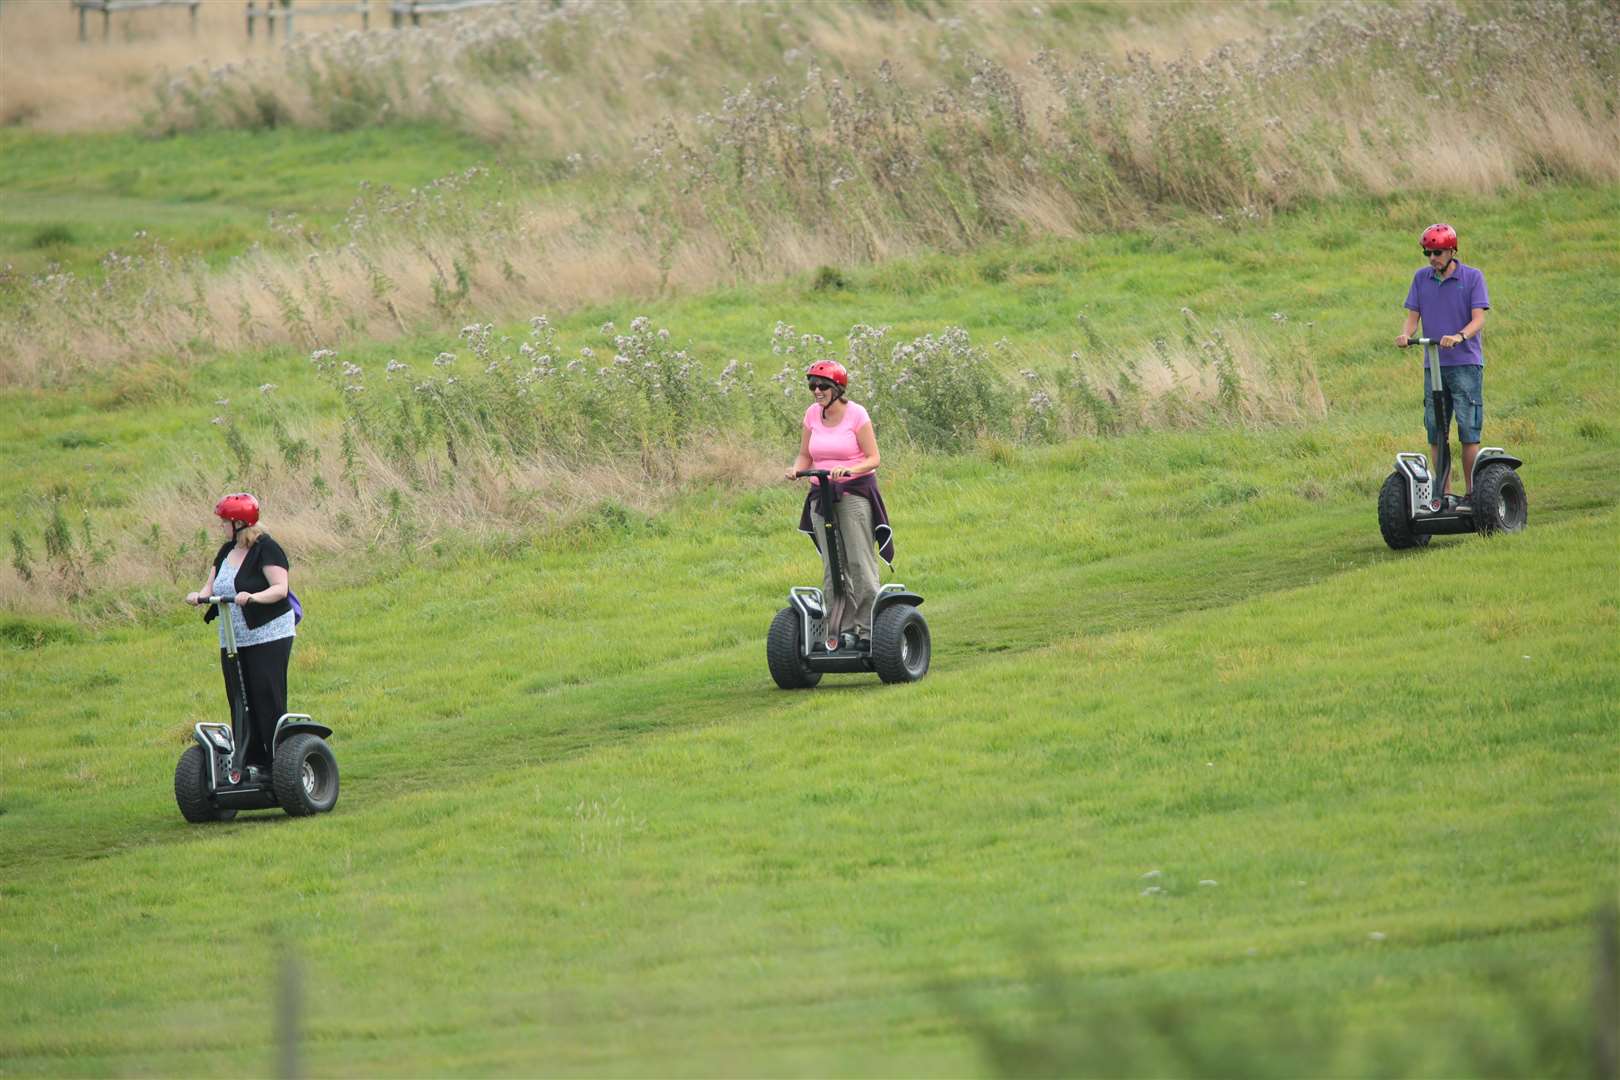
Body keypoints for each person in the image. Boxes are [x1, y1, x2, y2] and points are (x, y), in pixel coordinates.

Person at [785, 360, 894, 648]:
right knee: (833, 565)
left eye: (822, 386)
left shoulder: (856, 414)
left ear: (837, 388)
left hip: (853, 494)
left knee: (859, 561)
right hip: (822, 496)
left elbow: (874, 458)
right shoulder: (811, 414)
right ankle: (841, 630)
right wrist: (795, 469)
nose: (816, 391)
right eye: (812, 385)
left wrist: (851, 470)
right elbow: (805, 456)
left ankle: (869, 630)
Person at [185, 493, 295, 776]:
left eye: (224, 522)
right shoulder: (225, 551)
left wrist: (254, 597)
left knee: (264, 694)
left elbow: (280, 589)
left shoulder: (267, 549)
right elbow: (211, 586)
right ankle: (250, 760)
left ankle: (277, 763)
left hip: (268, 634)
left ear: (238, 523)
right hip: (234, 637)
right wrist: (200, 596)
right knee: (238, 695)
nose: (221, 526)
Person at [1396, 223, 1490, 507]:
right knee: (1436, 430)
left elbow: (1479, 319)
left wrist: (1459, 336)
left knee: (1467, 431)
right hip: (1433, 365)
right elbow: (1413, 316)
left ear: (1451, 250)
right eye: (1427, 252)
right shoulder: (1421, 278)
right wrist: (1406, 334)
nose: (1432, 258)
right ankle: (1445, 493)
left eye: (1437, 252)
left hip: (1464, 363)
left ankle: (1474, 494)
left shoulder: (1472, 277)